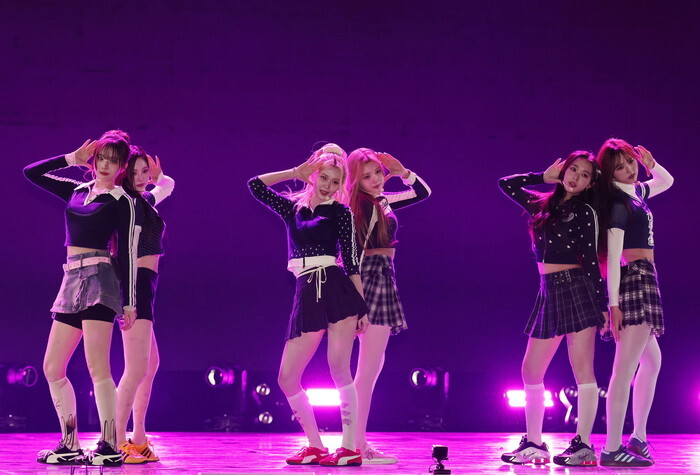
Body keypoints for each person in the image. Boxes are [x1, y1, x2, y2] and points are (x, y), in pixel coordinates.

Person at [247, 144, 369, 466]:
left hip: (336, 287)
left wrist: (362, 306)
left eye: (335, 181)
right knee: (287, 377)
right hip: (305, 290)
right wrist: (294, 172)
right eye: (323, 178)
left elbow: (352, 261)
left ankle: (349, 448)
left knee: (339, 368)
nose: (328, 186)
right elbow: (255, 186)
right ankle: (315, 445)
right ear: (313, 175)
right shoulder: (292, 209)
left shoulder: (341, 213)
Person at [24, 133, 137, 466]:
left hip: (100, 279)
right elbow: (31, 172)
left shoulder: (122, 201)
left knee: (97, 367)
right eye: (101, 157)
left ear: (122, 167)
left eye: (113, 160)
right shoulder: (76, 191)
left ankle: (109, 446)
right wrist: (71, 159)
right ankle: (69, 443)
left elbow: (128, 254)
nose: (105, 165)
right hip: (71, 278)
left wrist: (129, 303)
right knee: (52, 367)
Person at [498, 152, 608, 466]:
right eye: (573, 169)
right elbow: (506, 184)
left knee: (582, 369)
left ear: (590, 184)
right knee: (530, 370)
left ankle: (584, 445)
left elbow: (591, 261)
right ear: (563, 169)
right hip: (548, 290)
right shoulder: (542, 205)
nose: (576, 177)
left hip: (577, 288)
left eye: (584, 175)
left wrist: (601, 305)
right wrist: (542, 176)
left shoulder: (585, 211)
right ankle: (534, 443)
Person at [345, 148, 430, 464]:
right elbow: (352, 255)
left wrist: (403, 171)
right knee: (366, 373)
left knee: (370, 368)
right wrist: (358, 303)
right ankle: (356, 446)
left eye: (378, 173)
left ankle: (354, 444)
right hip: (370, 279)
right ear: (355, 181)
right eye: (366, 176)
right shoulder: (361, 207)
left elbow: (422, 192)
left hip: (380, 275)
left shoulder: (380, 202)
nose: (375, 180)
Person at [596, 139, 673, 467]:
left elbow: (666, 181)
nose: (629, 169)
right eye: (620, 166)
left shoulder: (636, 192)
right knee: (624, 369)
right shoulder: (617, 203)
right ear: (609, 172)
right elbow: (613, 259)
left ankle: (638, 437)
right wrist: (613, 304)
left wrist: (651, 164)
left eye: (630, 162)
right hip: (634, 280)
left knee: (652, 362)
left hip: (645, 277)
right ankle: (612, 448)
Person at [115, 147, 175, 463]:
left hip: (147, 284)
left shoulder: (144, 200)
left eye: (144, 172)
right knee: (136, 368)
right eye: (134, 172)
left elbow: (168, 185)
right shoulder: (126, 204)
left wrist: (158, 174)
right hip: (134, 283)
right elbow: (122, 251)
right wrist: (128, 299)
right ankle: (113, 441)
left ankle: (138, 437)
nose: (141, 178)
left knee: (149, 365)